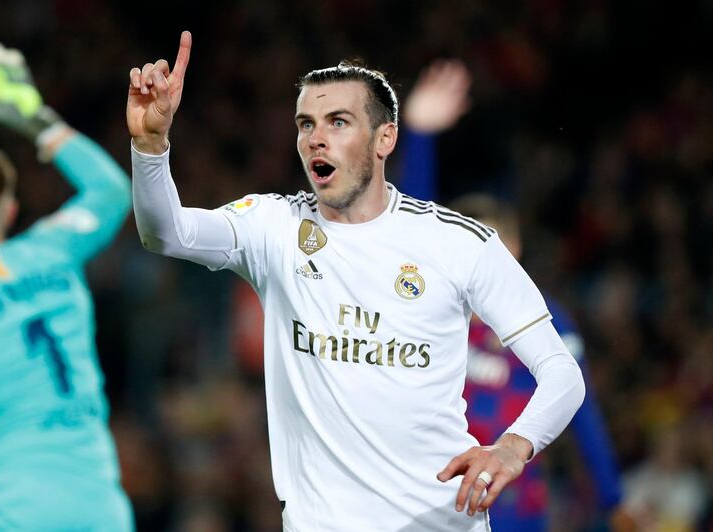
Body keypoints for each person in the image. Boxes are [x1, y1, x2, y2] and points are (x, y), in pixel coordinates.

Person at [128, 31, 585, 531]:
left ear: (384, 138)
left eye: (338, 122)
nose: (316, 138)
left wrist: (514, 447)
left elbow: (562, 373)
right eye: (306, 124)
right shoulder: (273, 228)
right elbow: (166, 233)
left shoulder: (460, 243)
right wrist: (151, 147)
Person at [399, 60, 629, 531]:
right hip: (431, 500)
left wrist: (612, 498)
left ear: (515, 249)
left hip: (515, 507)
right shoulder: (436, 307)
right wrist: (419, 135)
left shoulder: (546, 319)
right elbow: (409, 228)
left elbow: (579, 402)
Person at [0, 42, 133, 531]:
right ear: (10, 213)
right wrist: (39, 119)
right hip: (103, 512)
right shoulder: (53, 250)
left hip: (7, 517)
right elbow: (112, 191)